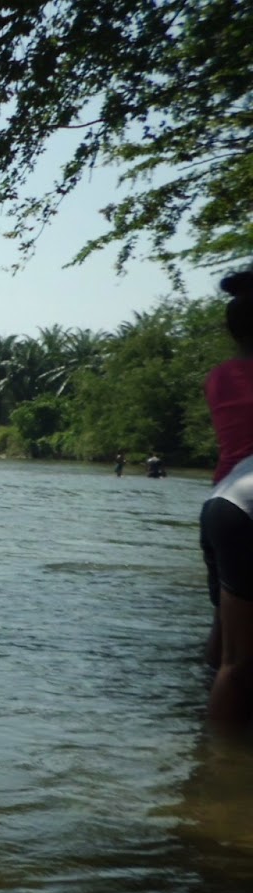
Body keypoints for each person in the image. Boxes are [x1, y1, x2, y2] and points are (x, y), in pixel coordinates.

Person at [200, 270, 253, 731]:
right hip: (247, 505)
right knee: (241, 662)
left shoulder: (219, 377)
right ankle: (223, 761)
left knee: (226, 646)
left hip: (222, 502)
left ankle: (206, 732)